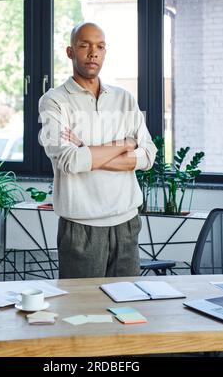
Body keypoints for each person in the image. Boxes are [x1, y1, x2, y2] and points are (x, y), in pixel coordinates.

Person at [39, 22, 157, 279]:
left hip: (127, 224)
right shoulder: (53, 101)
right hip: (81, 228)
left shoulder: (124, 98)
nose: (93, 52)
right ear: (70, 52)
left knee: (127, 307)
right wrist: (125, 144)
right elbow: (69, 161)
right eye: (84, 46)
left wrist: (87, 151)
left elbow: (148, 155)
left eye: (100, 47)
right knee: (81, 312)